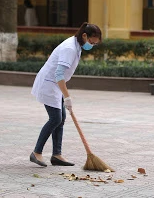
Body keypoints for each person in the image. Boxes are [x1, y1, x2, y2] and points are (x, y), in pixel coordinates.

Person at [30, 23, 102, 167]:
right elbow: (58, 74)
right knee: (55, 118)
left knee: (60, 118)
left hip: (55, 84)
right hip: (49, 84)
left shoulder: (77, 45)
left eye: (94, 44)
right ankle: (36, 152)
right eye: (91, 42)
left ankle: (57, 155)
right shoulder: (70, 48)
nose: (91, 46)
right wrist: (67, 96)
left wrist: (64, 94)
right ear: (84, 36)